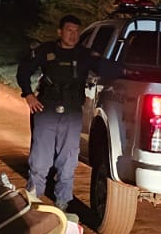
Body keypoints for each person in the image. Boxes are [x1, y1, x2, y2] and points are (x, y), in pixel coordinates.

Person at [16, 15, 121, 210]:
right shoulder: (46, 50)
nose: (73, 35)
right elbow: (23, 70)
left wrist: (131, 69)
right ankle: (33, 199)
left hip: (72, 113)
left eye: (76, 31)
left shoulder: (84, 54)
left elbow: (108, 69)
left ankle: (63, 202)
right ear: (60, 32)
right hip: (46, 110)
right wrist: (28, 95)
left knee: (68, 160)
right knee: (40, 159)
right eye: (69, 30)